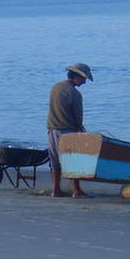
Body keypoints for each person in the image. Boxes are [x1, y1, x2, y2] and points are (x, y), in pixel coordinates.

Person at [47, 63, 93, 198]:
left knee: (55, 161)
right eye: (83, 79)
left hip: (52, 129)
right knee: (74, 161)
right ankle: (77, 191)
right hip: (67, 131)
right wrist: (80, 129)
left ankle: (55, 190)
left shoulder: (55, 87)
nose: (84, 82)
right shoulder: (75, 94)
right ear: (76, 77)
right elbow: (78, 117)